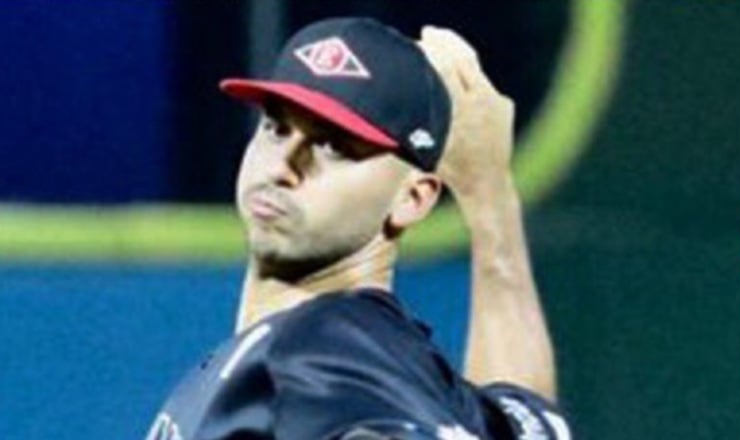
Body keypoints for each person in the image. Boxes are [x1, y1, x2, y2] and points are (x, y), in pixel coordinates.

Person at [146, 17, 569, 440]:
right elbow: (528, 421)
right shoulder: (396, 366)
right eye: (277, 128)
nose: (282, 166)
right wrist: (489, 194)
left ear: (412, 198)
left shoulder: (321, 344)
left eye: (333, 146)